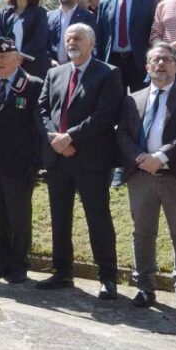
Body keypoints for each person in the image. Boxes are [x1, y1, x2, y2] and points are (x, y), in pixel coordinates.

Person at [37, 22, 123, 299]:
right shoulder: (55, 73)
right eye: (68, 39)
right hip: (58, 158)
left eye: (78, 38)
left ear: (92, 43)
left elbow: (106, 115)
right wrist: (55, 139)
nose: (72, 43)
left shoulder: (108, 73)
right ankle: (62, 272)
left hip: (90, 159)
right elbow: (42, 109)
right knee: (60, 218)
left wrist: (70, 137)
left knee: (98, 218)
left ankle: (107, 277)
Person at [116, 43, 176, 312]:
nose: (161, 64)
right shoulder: (133, 99)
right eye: (156, 60)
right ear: (147, 67)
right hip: (141, 176)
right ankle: (144, 287)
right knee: (142, 234)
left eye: (167, 59)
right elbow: (123, 133)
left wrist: (161, 156)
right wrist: (140, 157)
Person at [0, 36, 45, 284]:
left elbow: (38, 128)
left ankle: (20, 265)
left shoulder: (32, 85)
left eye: (3, 57)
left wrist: (37, 162)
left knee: (19, 215)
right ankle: (1, 263)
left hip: (19, 163)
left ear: (18, 60)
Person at [0, 0, 50, 78]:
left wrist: (21, 56)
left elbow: (40, 38)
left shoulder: (39, 12)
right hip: (7, 63)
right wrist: (9, 54)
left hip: (32, 64)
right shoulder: (4, 13)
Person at [47, 0, 96, 66]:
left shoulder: (87, 16)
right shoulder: (49, 16)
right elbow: (43, 43)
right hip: (54, 67)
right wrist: (49, 60)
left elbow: (94, 44)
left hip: (79, 66)